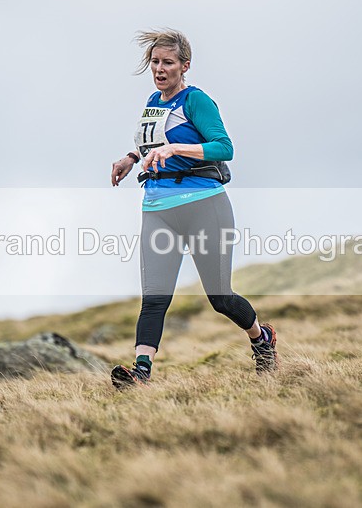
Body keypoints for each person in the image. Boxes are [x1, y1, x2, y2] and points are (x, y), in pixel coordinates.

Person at [109, 28, 277, 388]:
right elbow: (153, 142)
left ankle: (261, 339)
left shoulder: (196, 100)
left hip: (204, 206)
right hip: (157, 209)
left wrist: (175, 151)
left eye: (168, 62)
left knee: (219, 297)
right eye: (155, 62)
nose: (159, 68)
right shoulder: (154, 101)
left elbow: (224, 147)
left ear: (184, 66)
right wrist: (130, 157)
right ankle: (141, 372)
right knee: (154, 297)